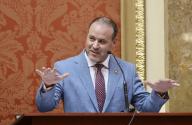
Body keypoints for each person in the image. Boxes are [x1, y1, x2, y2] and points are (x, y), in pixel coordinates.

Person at [35, 16, 179, 112]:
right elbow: (44, 107)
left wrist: (158, 93)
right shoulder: (64, 68)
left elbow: (147, 108)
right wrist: (48, 86)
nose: (95, 45)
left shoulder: (127, 70)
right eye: (92, 39)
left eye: (102, 41)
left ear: (113, 43)